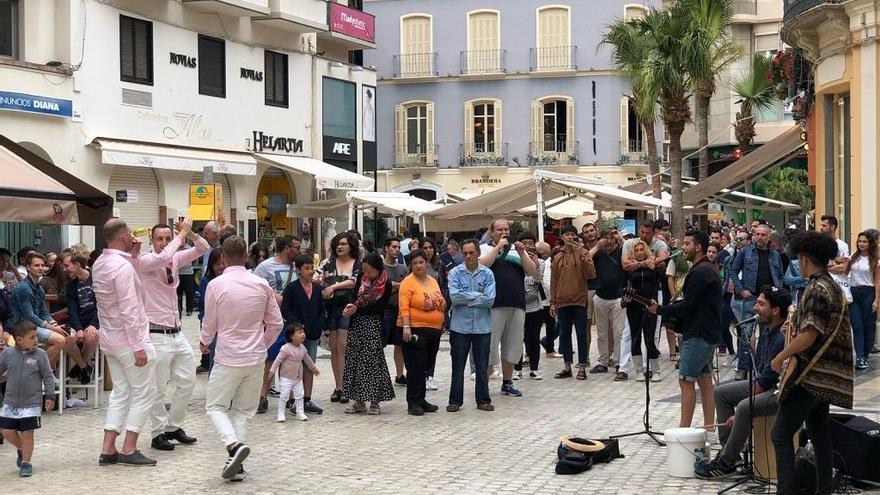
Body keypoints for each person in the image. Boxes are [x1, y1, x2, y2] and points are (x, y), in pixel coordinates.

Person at [770, 231, 854, 495]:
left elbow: (810, 333)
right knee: (819, 434)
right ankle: (824, 490)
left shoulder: (816, 288)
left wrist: (781, 356)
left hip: (811, 373)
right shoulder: (833, 285)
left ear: (805, 259)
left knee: (781, 435)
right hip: (829, 373)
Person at [200, 236, 284, 482]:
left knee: (215, 406)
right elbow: (276, 323)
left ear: (223, 258)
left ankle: (233, 446)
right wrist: (263, 344)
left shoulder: (216, 285)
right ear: (246, 255)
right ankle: (236, 464)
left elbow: (210, 323)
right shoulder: (261, 284)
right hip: (255, 357)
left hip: (227, 356)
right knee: (244, 410)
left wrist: (204, 342)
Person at [696, 287, 789, 479]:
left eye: (761, 304)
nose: (755, 308)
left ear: (776, 310)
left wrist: (738, 413)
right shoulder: (766, 329)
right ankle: (731, 453)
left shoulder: (780, 337)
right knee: (721, 392)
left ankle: (726, 462)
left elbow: (765, 382)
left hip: (778, 390)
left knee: (746, 407)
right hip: (763, 382)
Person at [92, 218, 158, 467]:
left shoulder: (100, 263)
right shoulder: (122, 267)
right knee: (144, 392)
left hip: (110, 338)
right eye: (129, 232)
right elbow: (129, 308)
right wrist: (139, 344)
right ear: (123, 236)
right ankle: (129, 447)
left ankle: (108, 448)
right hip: (129, 340)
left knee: (121, 392)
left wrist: (132, 256)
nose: (133, 235)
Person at [138, 219, 208, 452]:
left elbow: (203, 249)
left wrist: (189, 236)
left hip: (176, 332)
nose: (164, 242)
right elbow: (160, 258)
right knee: (157, 388)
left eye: (168, 238)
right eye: (160, 238)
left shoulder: (175, 258)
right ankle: (157, 433)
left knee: (188, 381)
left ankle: (173, 426)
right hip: (155, 333)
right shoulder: (144, 260)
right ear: (152, 239)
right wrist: (180, 237)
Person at [647, 231, 721, 429]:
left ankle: (684, 431)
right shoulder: (707, 269)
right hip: (707, 332)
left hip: (698, 334)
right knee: (705, 381)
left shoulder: (700, 272)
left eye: (687, 244)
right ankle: (708, 427)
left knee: (686, 381)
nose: (682, 248)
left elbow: (688, 306)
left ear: (698, 247)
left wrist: (660, 309)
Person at [479, 219, 538, 396]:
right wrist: (498, 249)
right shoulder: (484, 248)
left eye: (506, 229)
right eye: (499, 230)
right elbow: (482, 265)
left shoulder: (517, 249)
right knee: (490, 344)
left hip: (517, 303)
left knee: (513, 345)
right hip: (494, 304)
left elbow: (532, 271)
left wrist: (522, 254)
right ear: (491, 232)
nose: (503, 232)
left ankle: (507, 381)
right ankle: (484, 381)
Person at [340, 253, 395, 415]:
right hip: (357, 325)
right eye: (365, 271)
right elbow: (354, 296)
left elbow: (379, 308)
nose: (367, 275)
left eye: (370, 272)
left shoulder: (386, 283)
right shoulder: (361, 279)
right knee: (355, 361)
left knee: (371, 363)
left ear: (378, 269)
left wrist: (359, 309)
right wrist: (351, 306)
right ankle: (359, 401)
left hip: (373, 326)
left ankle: (375, 402)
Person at [252, 236, 301, 414]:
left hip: (293, 320)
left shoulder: (299, 266)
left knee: (291, 361)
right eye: (296, 247)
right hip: (273, 320)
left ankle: (290, 398)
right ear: (287, 248)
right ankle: (261, 396)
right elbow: (255, 287)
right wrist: (273, 297)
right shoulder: (265, 267)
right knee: (269, 361)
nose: (299, 250)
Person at [0, 320, 55, 477]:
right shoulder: (8, 353)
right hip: (10, 402)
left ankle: (26, 463)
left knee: (27, 433)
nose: (36, 340)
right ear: (19, 339)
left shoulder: (40, 355)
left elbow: (48, 376)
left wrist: (50, 395)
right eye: (32, 337)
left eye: (36, 336)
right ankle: (21, 449)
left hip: (31, 404)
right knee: (6, 431)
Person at [728, 224, 783, 380]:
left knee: (767, 335)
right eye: (757, 234)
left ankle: (760, 367)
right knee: (746, 334)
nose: (760, 237)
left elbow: (779, 274)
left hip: (769, 300)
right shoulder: (745, 252)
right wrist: (740, 289)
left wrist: (777, 289)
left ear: (768, 237)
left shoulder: (774, 255)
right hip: (750, 298)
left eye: (763, 234)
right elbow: (733, 270)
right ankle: (743, 368)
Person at [447, 239, 496, 412]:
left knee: (482, 366)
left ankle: (483, 400)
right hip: (459, 327)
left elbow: (490, 300)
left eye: (471, 252)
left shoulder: (488, 274)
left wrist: (467, 298)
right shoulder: (454, 273)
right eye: (465, 253)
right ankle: (455, 401)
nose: (468, 256)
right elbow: (454, 297)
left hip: (483, 327)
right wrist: (477, 296)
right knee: (458, 365)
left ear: (478, 253)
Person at [398, 249, 447, 416]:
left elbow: (442, 300)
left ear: (426, 263)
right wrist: (406, 327)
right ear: (411, 266)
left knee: (426, 366)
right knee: (415, 367)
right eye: (415, 263)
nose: (418, 266)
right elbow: (404, 306)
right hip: (415, 329)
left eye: (421, 262)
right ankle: (413, 403)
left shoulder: (433, 281)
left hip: (434, 331)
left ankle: (421, 399)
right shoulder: (407, 282)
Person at [9, 252, 78, 370]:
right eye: (37, 265)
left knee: (70, 336)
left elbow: (44, 312)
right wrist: (52, 328)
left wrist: (54, 324)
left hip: (36, 325)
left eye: (42, 265)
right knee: (60, 340)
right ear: (28, 267)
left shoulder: (39, 288)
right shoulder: (23, 288)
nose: (40, 268)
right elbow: (29, 316)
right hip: (22, 327)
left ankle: (45, 370)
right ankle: (35, 370)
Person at [280, 255, 326, 416]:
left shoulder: (317, 289)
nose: (310, 271)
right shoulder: (292, 289)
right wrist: (297, 325)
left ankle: (306, 398)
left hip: (312, 333)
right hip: (295, 336)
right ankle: (293, 400)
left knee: (309, 365)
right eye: (306, 268)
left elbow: (321, 310)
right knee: (293, 367)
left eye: (311, 268)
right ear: (298, 270)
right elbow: (285, 309)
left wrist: (319, 326)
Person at [550, 225, 596, 381]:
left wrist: (583, 257)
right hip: (562, 300)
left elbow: (591, 274)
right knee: (564, 334)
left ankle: (582, 366)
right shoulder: (557, 256)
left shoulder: (583, 252)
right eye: (567, 234)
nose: (569, 237)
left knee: (581, 334)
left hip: (579, 299)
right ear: (562, 237)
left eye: (572, 234)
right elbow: (553, 280)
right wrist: (552, 301)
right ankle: (567, 366)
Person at [320, 232, 360, 405]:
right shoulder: (327, 263)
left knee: (343, 346)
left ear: (351, 245)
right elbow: (318, 278)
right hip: (332, 308)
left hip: (348, 307)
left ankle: (346, 385)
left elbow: (354, 281)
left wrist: (334, 286)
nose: (340, 246)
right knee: (334, 348)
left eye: (344, 243)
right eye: (338, 243)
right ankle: (338, 386)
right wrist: (324, 288)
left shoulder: (357, 263)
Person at [589, 228, 627, 378]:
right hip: (600, 296)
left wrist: (621, 240)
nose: (609, 241)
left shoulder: (622, 252)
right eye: (606, 238)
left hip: (618, 297)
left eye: (612, 238)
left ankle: (618, 361)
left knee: (619, 332)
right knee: (601, 332)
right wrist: (598, 246)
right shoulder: (598, 253)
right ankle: (603, 361)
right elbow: (585, 258)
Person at [622, 240, 661, 382]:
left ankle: (655, 369)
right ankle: (639, 370)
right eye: (636, 250)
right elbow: (622, 285)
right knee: (635, 338)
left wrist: (655, 300)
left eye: (641, 249)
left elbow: (658, 284)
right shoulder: (629, 269)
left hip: (650, 305)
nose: (639, 252)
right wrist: (625, 295)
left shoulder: (653, 266)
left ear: (645, 250)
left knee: (650, 338)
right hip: (634, 306)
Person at [61, 251, 99, 385]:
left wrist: (93, 324)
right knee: (67, 337)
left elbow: (103, 305)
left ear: (77, 264)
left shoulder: (96, 278)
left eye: (67, 266)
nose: (64, 269)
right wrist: (78, 329)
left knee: (91, 336)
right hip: (77, 321)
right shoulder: (71, 285)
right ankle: (84, 367)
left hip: (95, 320)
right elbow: (72, 310)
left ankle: (80, 366)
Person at [269, 324, 319, 422]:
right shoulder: (285, 348)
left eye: (303, 332)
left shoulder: (302, 348)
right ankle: (281, 413)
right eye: (299, 332)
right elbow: (277, 361)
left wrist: (313, 368)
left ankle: (300, 412)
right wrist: (272, 371)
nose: (303, 334)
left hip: (298, 378)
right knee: (284, 395)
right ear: (292, 336)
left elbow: (307, 359)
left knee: (300, 395)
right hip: (286, 377)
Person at [513, 247, 545, 380]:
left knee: (533, 339)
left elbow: (538, 278)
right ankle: (517, 369)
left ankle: (534, 368)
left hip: (535, 308)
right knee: (516, 339)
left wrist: (535, 262)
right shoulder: (515, 262)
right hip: (518, 307)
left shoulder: (540, 263)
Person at [847, 230, 878, 371]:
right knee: (857, 326)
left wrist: (877, 299)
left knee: (868, 327)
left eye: (864, 241)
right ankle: (859, 357)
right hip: (854, 293)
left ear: (870, 243)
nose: (861, 244)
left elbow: (878, 281)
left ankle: (865, 355)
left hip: (868, 293)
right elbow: (844, 271)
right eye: (860, 241)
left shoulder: (875, 259)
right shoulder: (854, 256)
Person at [381, 238, 408, 386]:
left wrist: (394, 286)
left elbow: (408, 286)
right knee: (381, 343)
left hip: (400, 310)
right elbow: (381, 286)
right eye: (393, 247)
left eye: (398, 247)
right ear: (386, 248)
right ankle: (380, 374)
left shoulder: (403, 269)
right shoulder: (380, 268)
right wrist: (397, 285)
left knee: (400, 344)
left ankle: (399, 374)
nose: (397, 249)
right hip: (384, 310)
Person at [197, 247, 225, 373]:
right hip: (212, 325)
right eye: (217, 264)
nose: (220, 267)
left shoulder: (229, 279)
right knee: (214, 359)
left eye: (223, 264)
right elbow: (207, 306)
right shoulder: (206, 281)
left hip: (227, 324)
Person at [420, 238, 443, 390]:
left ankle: (430, 375)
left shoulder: (438, 267)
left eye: (430, 247)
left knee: (433, 346)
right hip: (420, 309)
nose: (428, 250)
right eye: (425, 247)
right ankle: (420, 375)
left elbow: (443, 287)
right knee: (420, 346)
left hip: (436, 310)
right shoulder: (416, 266)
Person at [820, 215, 853, 304]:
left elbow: (843, 268)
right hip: (822, 285)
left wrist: (823, 267)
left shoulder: (842, 245)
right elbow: (815, 265)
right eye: (821, 225)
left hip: (838, 285)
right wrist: (836, 261)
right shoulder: (817, 244)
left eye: (824, 225)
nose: (821, 228)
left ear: (833, 227)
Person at [536, 241, 560, 358]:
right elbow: (545, 282)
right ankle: (531, 353)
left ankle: (550, 348)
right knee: (536, 327)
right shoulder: (544, 264)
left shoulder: (548, 264)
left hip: (548, 301)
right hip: (542, 301)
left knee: (551, 326)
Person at [581, 223, 599, 359]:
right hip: (587, 289)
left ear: (596, 231)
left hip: (603, 290)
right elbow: (585, 259)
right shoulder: (582, 250)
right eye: (586, 232)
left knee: (607, 326)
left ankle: (609, 356)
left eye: (592, 230)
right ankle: (585, 356)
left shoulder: (606, 247)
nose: (590, 233)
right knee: (586, 324)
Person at [176, 243, 196, 318]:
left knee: (189, 292)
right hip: (178, 273)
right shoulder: (175, 248)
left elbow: (194, 260)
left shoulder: (189, 248)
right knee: (178, 293)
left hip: (188, 273)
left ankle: (189, 309)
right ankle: (179, 309)